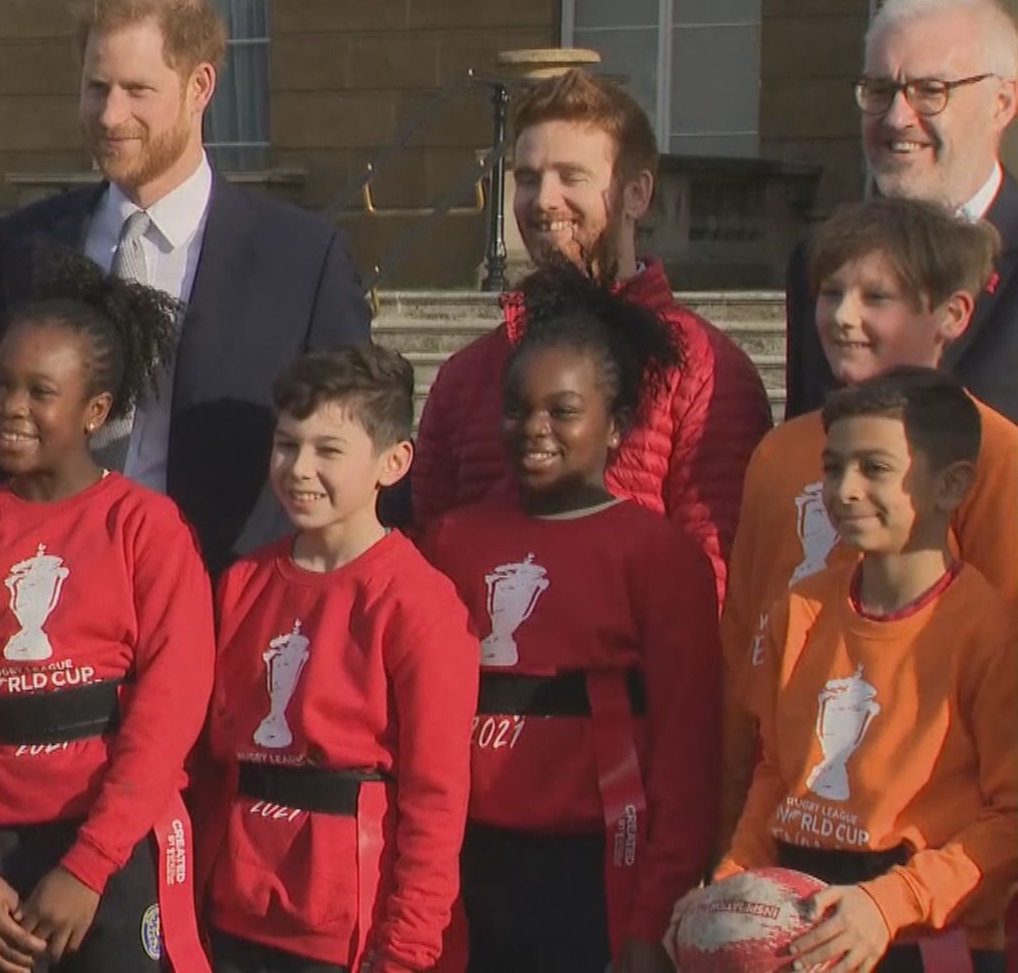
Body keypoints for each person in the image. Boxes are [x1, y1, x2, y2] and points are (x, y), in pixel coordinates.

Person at [0, 0, 371, 575]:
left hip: (228, 591)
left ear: (199, 86)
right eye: (96, 88)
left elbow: (355, 438)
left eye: (136, 90)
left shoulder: (301, 259)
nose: (109, 114)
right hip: (50, 591)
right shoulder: (25, 245)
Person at [422, 267, 720, 973]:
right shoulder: (451, 541)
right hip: (466, 867)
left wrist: (653, 921)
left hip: (594, 874)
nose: (535, 430)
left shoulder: (659, 556)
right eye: (518, 409)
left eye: (562, 411)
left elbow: (686, 760)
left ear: (616, 425)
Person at [0, 254, 213, 973]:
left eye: (40, 391)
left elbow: (169, 708)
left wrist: (91, 863)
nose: (11, 406)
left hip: (114, 851)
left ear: (97, 410)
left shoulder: (147, 528)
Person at [718, 197, 1018, 847]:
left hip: (920, 852)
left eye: (875, 297)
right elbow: (745, 642)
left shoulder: (993, 454)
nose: (843, 317)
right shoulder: (778, 454)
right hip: (784, 820)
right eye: (830, 294)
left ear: (952, 315)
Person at [697, 368, 1018, 972]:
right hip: (797, 929)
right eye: (832, 466)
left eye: (874, 469)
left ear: (951, 486)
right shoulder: (799, 609)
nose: (844, 489)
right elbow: (777, 774)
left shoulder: (990, 633)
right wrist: (731, 885)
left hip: (925, 943)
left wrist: (890, 902)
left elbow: (1011, 819)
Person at [413, 69, 771, 598]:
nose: (543, 200)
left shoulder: (702, 370)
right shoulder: (466, 377)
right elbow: (430, 571)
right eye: (529, 178)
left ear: (636, 192)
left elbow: (717, 580)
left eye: (570, 177)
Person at [200, 345, 475, 973]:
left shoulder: (418, 604)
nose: (298, 468)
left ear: (393, 462)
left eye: (328, 450)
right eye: (286, 445)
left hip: (347, 932)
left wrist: (406, 951)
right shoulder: (242, 583)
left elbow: (436, 800)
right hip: (235, 914)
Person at [785, 0, 1018, 421]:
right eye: (879, 90)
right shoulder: (816, 261)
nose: (896, 118)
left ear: (1002, 104)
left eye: (930, 91)